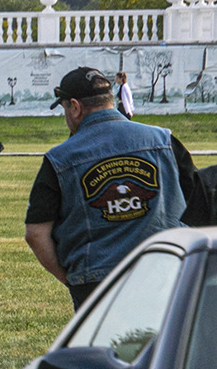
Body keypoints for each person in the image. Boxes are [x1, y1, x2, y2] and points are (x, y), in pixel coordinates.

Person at [24, 66, 198, 309]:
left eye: (64, 108)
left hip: (96, 281)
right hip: (167, 269)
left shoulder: (59, 159)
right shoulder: (164, 141)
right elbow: (201, 205)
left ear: (74, 107)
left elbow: (36, 233)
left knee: (105, 348)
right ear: (110, 100)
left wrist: (73, 279)